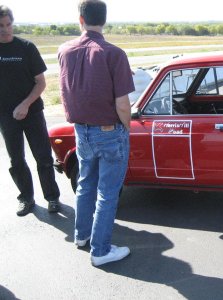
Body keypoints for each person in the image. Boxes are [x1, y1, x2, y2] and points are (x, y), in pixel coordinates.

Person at [58, 0, 134, 267]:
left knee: (85, 185)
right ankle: (100, 250)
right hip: (109, 131)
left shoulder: (64, 51)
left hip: (81, 131)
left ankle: (81, 236)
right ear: (104, 20)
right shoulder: (113, 53)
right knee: (107, 192)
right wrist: (126, 126)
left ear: (81, 19)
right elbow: (123, 104)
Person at [0, 5, 60, 216]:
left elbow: (41, 83)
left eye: (8, 24)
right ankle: (26, 198)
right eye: (1, 26)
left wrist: (25, 104)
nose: (5, 29)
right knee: (16, 160)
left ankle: (52, 197)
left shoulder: (26, 47)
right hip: (6, 116)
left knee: (43, 157)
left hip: (32, 112)